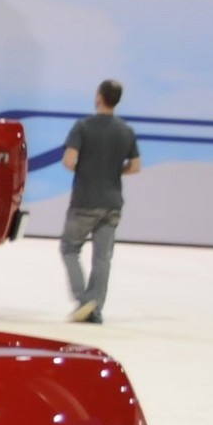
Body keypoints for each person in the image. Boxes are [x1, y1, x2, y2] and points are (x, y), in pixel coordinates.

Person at [60, 78, 140, 323]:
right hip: (112, 202)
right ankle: (95, 309)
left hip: (85, 200)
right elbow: (135, 166)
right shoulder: (126, 131)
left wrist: (86, 171)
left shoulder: (83, 127)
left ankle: (83, 300)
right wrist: (114, 171)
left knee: (69, 248)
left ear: (99, 97)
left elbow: (69, 161)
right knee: (102, 257)